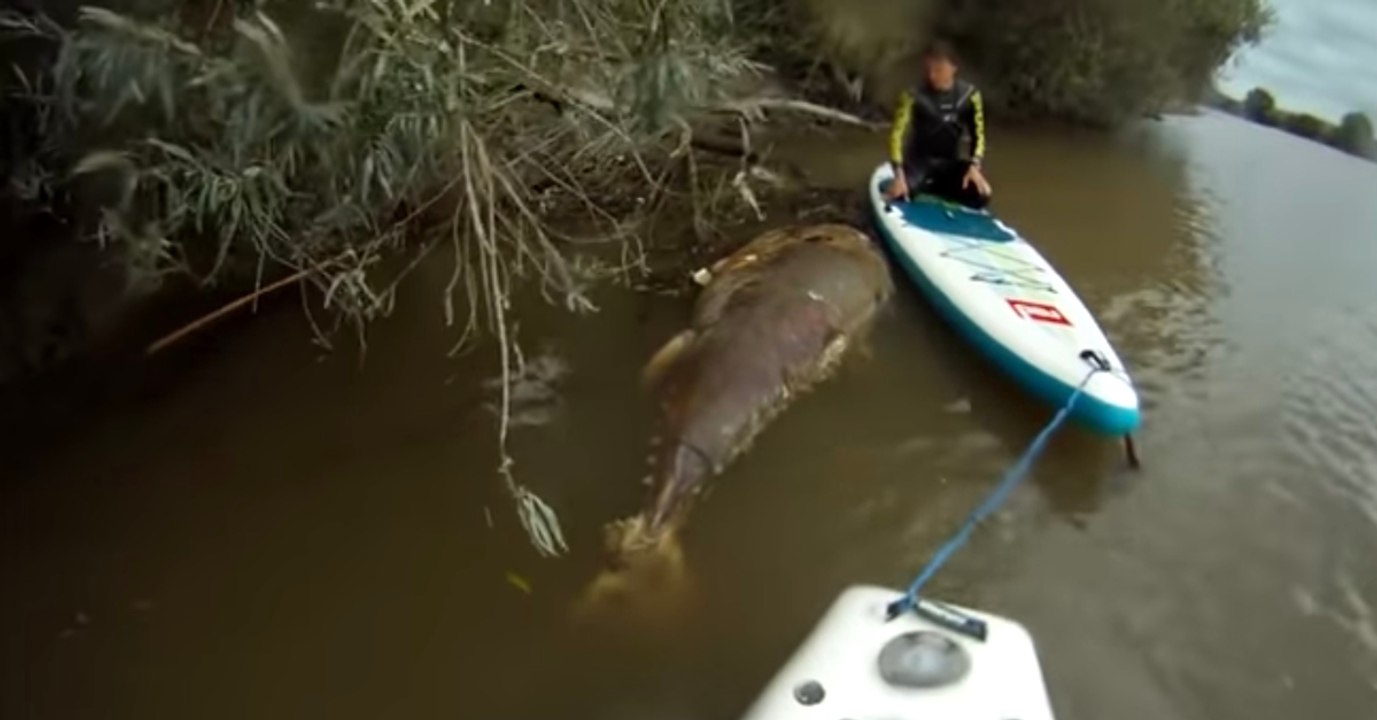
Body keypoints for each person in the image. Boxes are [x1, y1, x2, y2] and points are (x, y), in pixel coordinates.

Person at [885, 40, 993, 209]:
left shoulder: (970, 96)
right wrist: (899, 174)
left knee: (983, 194)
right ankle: (912, 187)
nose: (932, 76)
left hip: (949, 165)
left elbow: (978, 135)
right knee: (899, 196)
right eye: (929, 70)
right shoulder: (912, 96)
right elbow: (896, 136)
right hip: (918, 165)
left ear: (953, 68)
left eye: (939, 70)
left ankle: (944, 193)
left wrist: (974, 166)